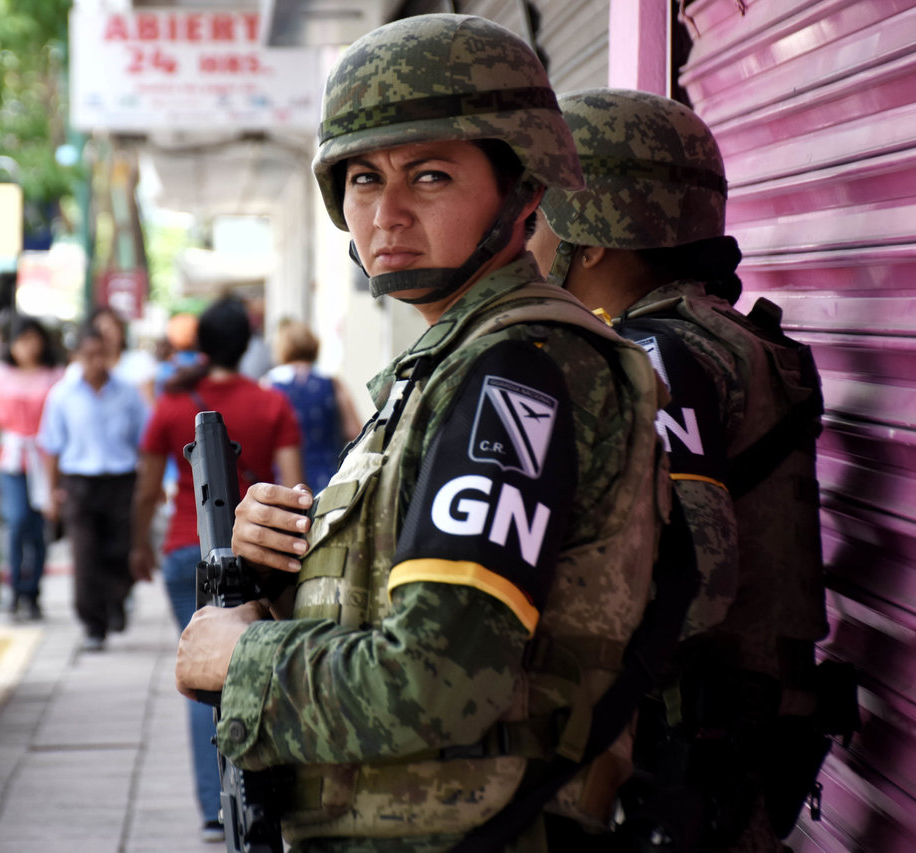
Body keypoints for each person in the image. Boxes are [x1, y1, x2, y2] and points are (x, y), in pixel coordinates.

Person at [172, 15, 670, 851]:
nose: (388, 212)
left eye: (429, 175)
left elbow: (440, 677)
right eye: (362, 179)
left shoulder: (515, 374)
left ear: (523, 189)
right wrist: (285, 573)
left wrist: (240, 656)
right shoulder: (444, 368)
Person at [530, 88, 832, 852]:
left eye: (533, 216)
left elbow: (689, 572)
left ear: (587, 238)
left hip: (691, 751)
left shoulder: (657, 355)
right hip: (721, 741)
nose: (516, 237)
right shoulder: (713, 337)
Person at [130, 297, 303, 843]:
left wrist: (139, 544)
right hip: (257, 557)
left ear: (201, 344)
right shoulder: (272, 404)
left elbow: (145, 488)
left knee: (204, 667)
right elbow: (295, 493)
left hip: (185, 552)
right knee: (245, 664)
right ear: (247, 345)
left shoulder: (171, 404)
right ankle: (260, 797)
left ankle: (214, 807)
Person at [38, 325, 148, 651]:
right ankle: (92, 625)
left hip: (121, 481)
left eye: (101, 354)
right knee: (85, 555)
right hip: (79, 484)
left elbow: (144, 441)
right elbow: (52, 447)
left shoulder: (127, 393)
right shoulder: (62, 395)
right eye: (88, 355)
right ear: (76, 357)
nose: (96, 362)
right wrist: (52, 492)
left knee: (120, 550)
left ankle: (116, 599)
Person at [0, 317, 64, 618]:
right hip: (11, 459)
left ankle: (32, 592)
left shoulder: (55, 375)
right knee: (16, 521)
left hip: (44, 458)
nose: (27, 346)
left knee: (38, 527)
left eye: (32, 339)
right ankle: (13, 589)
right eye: (21, 339)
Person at [263, 319, 363, 495]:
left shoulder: (269, 385)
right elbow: (354, 431)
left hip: (283, 487)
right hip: (331, 480)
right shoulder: (331, 382)